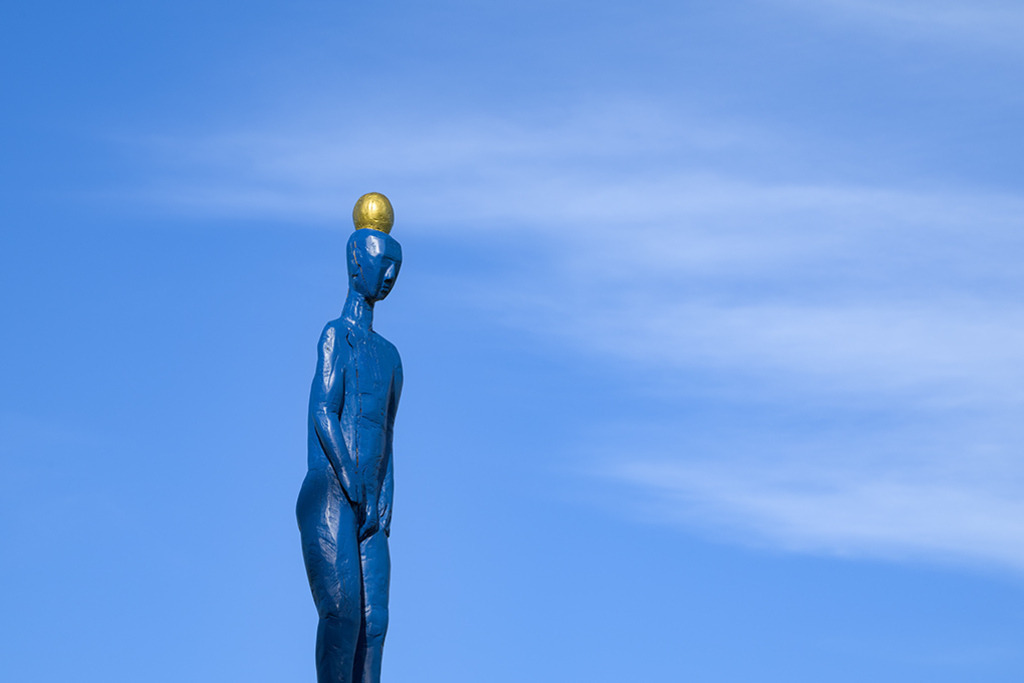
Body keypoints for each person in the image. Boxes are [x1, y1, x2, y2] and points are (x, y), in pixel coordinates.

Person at [297, 193, 403, 683]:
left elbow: (388, 431)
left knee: (374, 622)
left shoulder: (390, 358)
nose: (389, 276)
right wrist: (349, 476)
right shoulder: (335, 336)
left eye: (396, 268)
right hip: (332, 494)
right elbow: (323, 410)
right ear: (356, 258)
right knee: (342, 615)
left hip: (370, 505)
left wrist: (384, 493)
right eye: (382, 263)